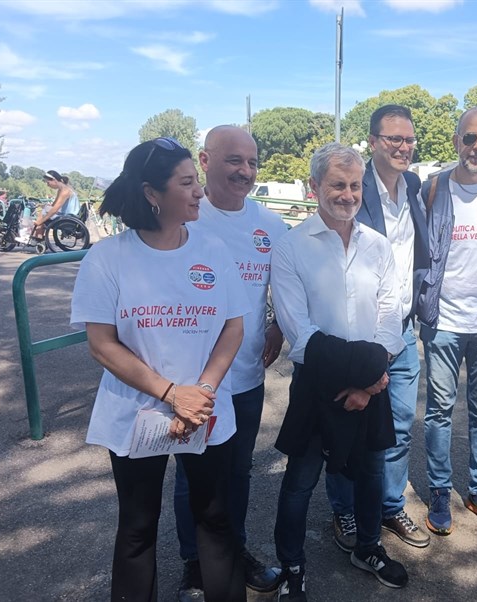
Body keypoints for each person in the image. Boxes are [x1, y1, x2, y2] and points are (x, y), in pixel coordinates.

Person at [70, 138, 248, 601]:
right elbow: (102, 345)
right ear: (152, 193)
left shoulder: (212, 248)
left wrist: (202, 390)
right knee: (137, 525)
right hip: (135, 414)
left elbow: (233, 327)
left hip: (205, 409)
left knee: (215, 518)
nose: (199, 193)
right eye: (187, 183)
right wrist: (173, 393)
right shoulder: (108, 259)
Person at [271, 143, 408, 601]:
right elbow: (301, 334)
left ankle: (367, 548)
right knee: (300, 483)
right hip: (318, 387)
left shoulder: (377, 245)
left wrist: (371, 382)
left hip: (374, 382)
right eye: (337, 185)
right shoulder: (290, 248)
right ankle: (292, 567)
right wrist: (363, 376)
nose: (348, 194)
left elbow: (392, 316)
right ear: (315, 188)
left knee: (370, 473)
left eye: (354, 185)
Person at [173, 125, 285, 600]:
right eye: (234, 160)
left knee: (238, 473)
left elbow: (285, 284)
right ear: (205, 160)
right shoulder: (187, 220)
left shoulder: (271, 225)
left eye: (252, 162)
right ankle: (195, 564)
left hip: (246, 377)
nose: (245, 171)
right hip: (193, 381)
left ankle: (233, 550)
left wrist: (277, 323)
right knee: (192, 475)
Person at [324, 105, 431, 551]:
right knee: (348, 429)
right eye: (392, 139)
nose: (402, 147)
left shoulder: (414, 185)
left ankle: (389, 505)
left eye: (408, 139)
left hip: (402, 330)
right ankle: (345, 511)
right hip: (359, 333)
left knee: (400, 424)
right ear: (373, 141)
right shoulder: (352, 187)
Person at [417, 107, 477, 537]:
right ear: (457, 140)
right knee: (439, 410)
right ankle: (440, 490)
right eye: (471, 138)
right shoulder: (433, 188)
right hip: (443, 320)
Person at [35, 169, 81, 236]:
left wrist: (40, 221)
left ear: (54, 180)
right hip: (67, 215)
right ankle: (38, 236)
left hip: (69, 217)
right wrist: (44, 206)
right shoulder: (61, 190)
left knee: (43, 213)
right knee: (44, 210)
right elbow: (53, 205)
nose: (48, 185)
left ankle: (37, 237)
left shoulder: (65, 191)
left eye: (48, 182)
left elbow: (55, 209)